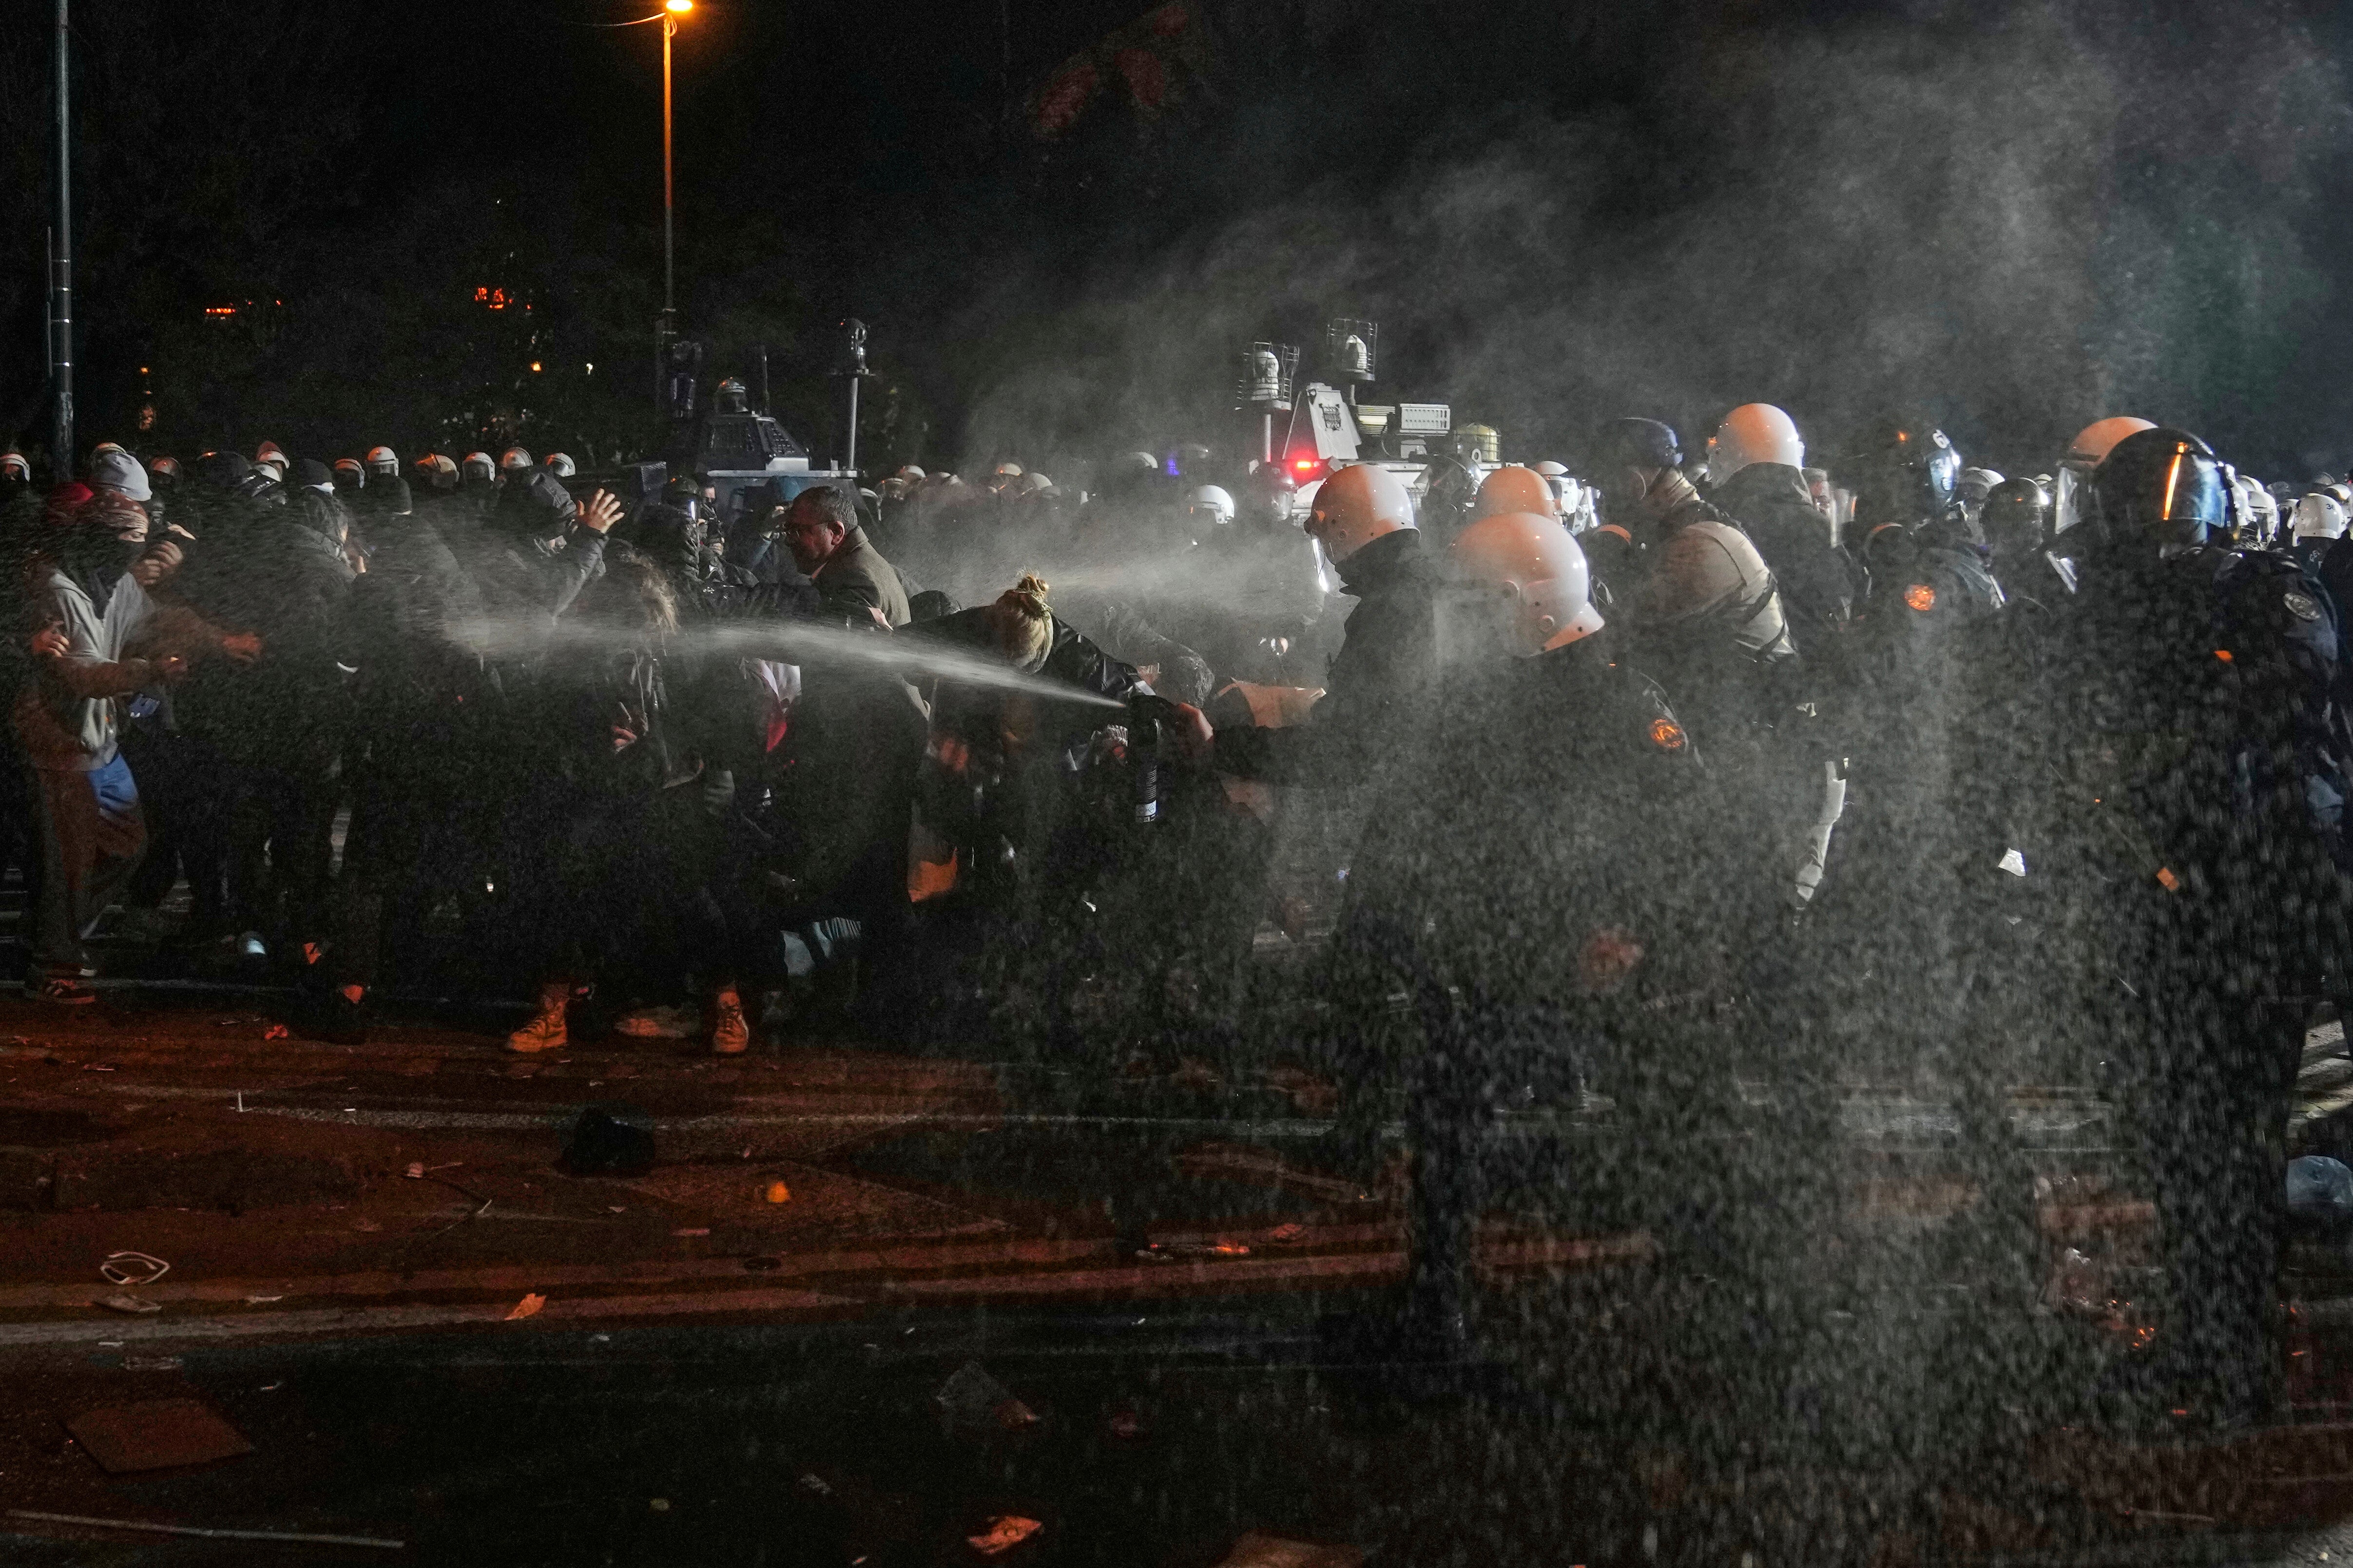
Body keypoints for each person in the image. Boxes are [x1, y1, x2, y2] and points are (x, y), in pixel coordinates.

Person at [1963, 426, 2349, 1426]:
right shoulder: (2203, 598)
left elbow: (2259, 745)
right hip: (2196, 913)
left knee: (2211, 1145)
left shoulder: (2255, 599)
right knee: (2197, 1144)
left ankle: (2221, 1363)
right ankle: (2214, 1345)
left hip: (2234, 914)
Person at [1704, 403, 1858, 656]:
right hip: (1808, 674)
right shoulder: (1821, 529)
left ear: (1727, 454)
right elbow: (1838, 610)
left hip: (1736, 675)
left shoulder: (1716, 523)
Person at [780, 484, 912, 627]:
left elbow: (842, 639)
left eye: (798, 530)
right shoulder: (860, 562)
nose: (789, 541)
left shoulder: (853, 576)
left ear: (837, 532)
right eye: (788, 531)